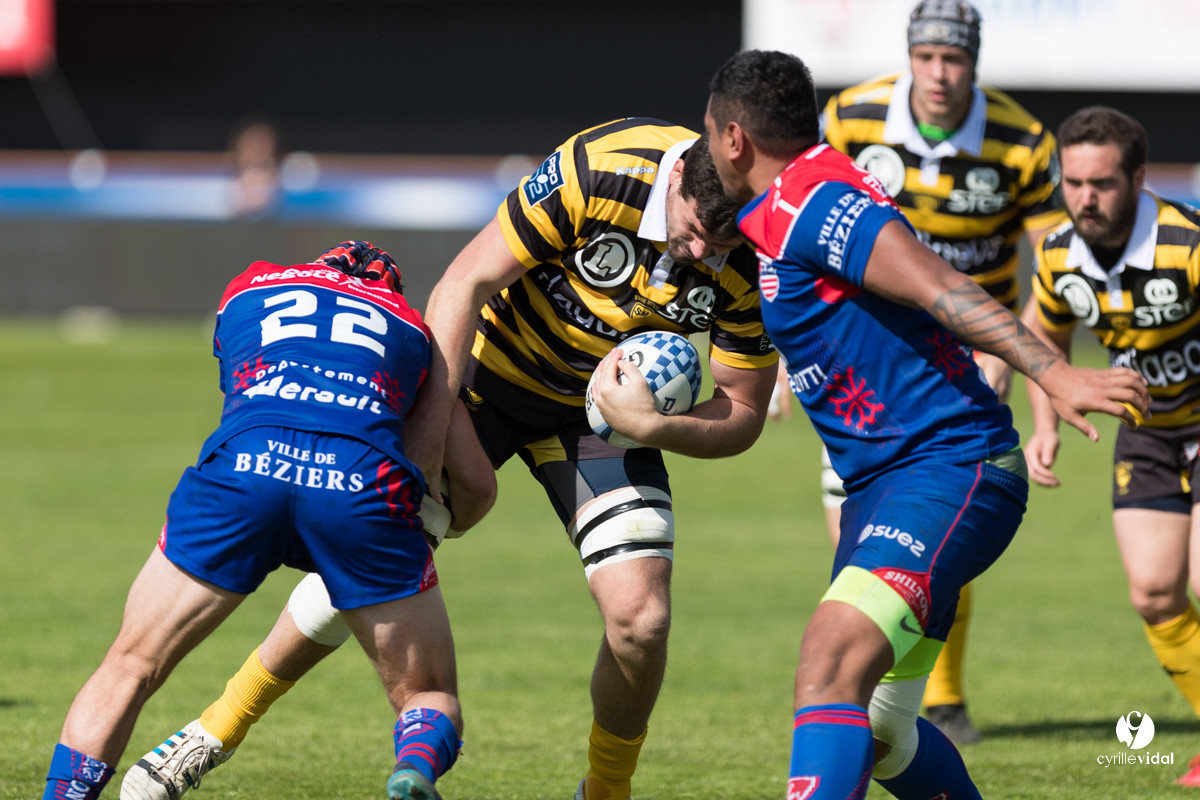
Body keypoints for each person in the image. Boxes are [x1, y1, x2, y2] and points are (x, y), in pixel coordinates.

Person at [119, 121, 779, 800]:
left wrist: (649, 426)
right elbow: (464, 284)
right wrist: (427, 442)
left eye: (719, 243)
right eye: (694, 230)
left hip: (603, 423)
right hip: (482, 383)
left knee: (643, 621)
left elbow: (743, 411)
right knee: (365, 555)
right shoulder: (602, 166)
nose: (701, 252)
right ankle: (213, 730)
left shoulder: (756, 249)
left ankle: (607, 792)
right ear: (675, 181)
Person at [705, 50, 1148, 799]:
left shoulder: (814, 199)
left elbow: (940, 284)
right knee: (880, 733)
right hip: (884, 485)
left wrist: (1053, 369)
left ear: (734, 139)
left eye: (708, 133)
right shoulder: (783, 205)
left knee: (828, 662)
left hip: (948, 468)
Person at [42, 241, 494, 800]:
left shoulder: (251, 285)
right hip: (358, 487)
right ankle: (414, 770)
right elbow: (475, 484)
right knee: (428, 693)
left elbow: (239, 380)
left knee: (131, 664)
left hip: (246, 467)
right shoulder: (415, 331)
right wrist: (443, 525)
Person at [796, 0, 1065, 744]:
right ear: (909, 55)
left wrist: (1010, 348)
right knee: (864, 534)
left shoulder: (1023, 141)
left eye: (954, 60)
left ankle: (932, 700)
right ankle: (883, 692)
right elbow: (800, 232)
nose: (939, 74)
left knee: (935, 521)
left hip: (971, 351)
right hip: (865, 351)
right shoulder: (852, 118)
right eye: (927, 58)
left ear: (973, 64)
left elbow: (1050, 266)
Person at [1021, 106, 1200, 788]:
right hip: (1147, 433)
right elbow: (1044, 340)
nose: (1086, 199)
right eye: (1073, 183)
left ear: (1139, 179)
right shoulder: (1060, 255)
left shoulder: (1188, 243)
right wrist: (1046, 419)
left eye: (1102, 183)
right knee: (1155, 593)